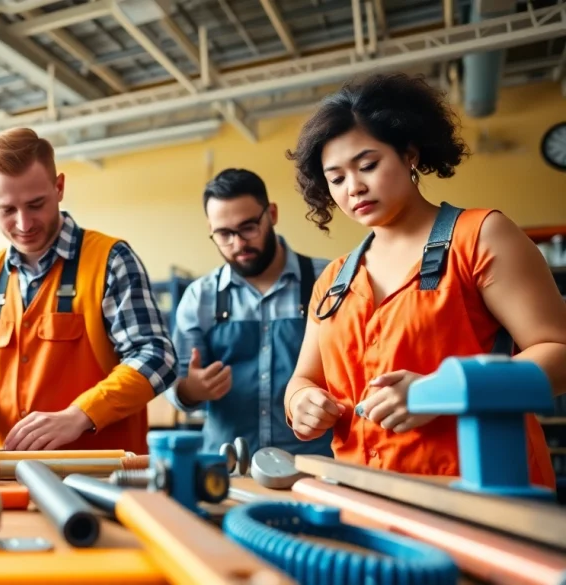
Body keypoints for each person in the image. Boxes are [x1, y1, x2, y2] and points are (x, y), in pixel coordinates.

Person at [282, 72, 565, 488]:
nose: (354, 188)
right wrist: (301, 403)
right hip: (363, 500)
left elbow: (558, 353)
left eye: (368, 165)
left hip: (481, 497)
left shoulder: (480, 236)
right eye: (336, 178)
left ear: (409, 153)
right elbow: (304, 379)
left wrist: (439, 392)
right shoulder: (334, 279)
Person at [0, 128, 177, 453]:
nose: (24, 224)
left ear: (59, 187)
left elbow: (155, 356)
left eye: (36, 204)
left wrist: (80, 414)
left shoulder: (111, 261)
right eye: (7, 210)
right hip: (11, 472)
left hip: (105, 472)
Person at [166, 168, 333, 457]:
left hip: (316, 466)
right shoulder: (199, 297)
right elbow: (176, 383)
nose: (238, 243)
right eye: (224, 234)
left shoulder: (330, 281)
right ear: (211, 230)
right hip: (226, 469)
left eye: (248, 227)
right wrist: (190, 389)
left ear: (272, 214)